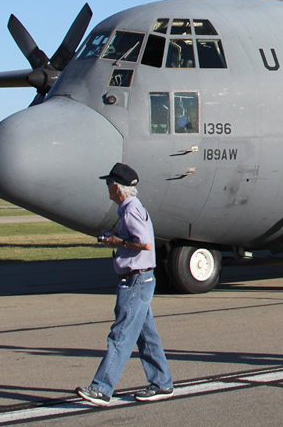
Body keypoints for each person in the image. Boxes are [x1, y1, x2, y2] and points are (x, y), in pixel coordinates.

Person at [76, 163, 174, 407]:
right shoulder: (131, 208)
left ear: (118, 188)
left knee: (120, 335)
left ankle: (102, 388)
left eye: (109, 183)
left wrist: (116, 241)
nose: (107, 187)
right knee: (145, 335)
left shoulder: (130, 211)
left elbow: (145, 244)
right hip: (142, 279)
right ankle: (162, 382)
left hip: (135, 280)